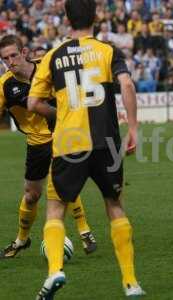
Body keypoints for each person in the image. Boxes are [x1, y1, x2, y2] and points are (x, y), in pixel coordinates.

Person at [28, 0, 145, 299]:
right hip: (106, 141)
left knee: (55, 209)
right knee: (114, 204)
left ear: (67, 18)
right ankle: (131, 282)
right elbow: (127, 85)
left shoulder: (52, 56)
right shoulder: (108, 51)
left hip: (68, 142)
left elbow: (33, 104)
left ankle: (55, 270)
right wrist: (133, 128)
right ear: (96, 16)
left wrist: (60, 114)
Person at [0, 34, 97, 259]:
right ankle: (21, 240)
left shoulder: (46, 67)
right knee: (32, 195)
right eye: (5, 58)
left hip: (62, 135)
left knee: (62, 182)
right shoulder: (5, 86)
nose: (10, 61)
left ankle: (85, 231)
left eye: (14, 55)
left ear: (24, 53)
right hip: (36, 144)